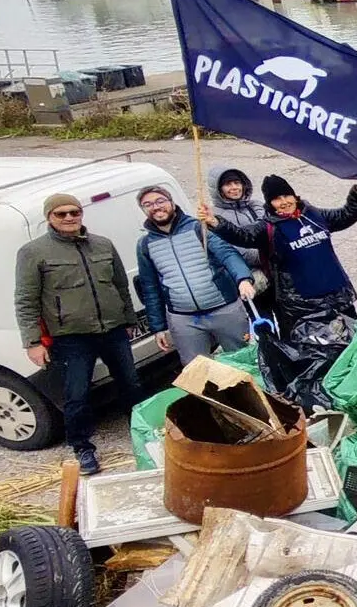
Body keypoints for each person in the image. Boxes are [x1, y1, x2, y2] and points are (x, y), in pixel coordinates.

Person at [15, 194, 141, 474]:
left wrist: (129, 318)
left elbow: (120, 285)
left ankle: (143, 433)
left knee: (131, 385)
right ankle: (82, 447)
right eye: (61, 214)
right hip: (71, 337)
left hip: (113, 330)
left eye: (74, 212)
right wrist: (32, 342)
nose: (69, 217)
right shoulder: (34, 252)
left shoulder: (103, 244)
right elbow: (26, 300)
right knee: (77, 394)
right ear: (49, 217)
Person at [203, 174, 357, 331]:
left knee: (354, 339)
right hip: (301, 306)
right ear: (270, 204)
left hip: (337, 295)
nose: (284, 202)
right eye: (276, 199)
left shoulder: (313, 215)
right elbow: (241, 235)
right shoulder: (268, 227)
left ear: (294, 196)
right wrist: (215, 222)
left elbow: (346, 215)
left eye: (286, 196)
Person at [134, 186, 254, 364]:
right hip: (184, 319)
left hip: (224, 308)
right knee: (196, 370)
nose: (156, 207)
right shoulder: (144, 245)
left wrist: (243, 279)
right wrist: (158, 327)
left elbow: (227, 253)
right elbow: (150, 287)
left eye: (160, 201)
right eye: (148, 204)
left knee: (245, 361)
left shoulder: (199, 227)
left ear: (172, 203)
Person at [208, 167, 269, 296]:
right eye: (228, 184)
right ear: (218, 189)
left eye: (237, 183)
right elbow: (232, 250)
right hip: (247, 277)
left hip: (272, 268)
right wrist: (268, 255)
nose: (234, 187)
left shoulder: (257, 205)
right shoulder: (213, 217)